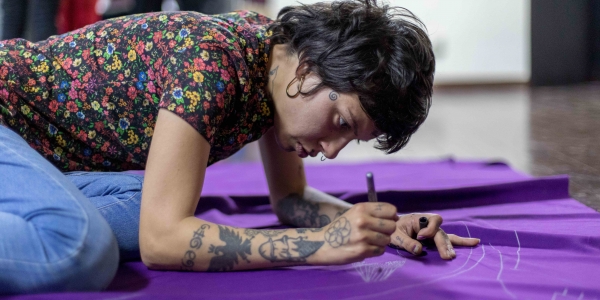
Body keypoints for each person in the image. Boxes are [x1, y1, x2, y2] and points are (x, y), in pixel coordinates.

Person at [0, 0, 480, 294]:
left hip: (32, 154)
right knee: (83, 249)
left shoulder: (275, 67)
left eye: (348, 139)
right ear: (310, 67)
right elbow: (162, 242)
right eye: (339, 122)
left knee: (142, 202)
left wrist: (386, 228)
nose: (332, 151)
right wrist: (319, 246)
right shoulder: (212, 66)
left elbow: (291, 201)